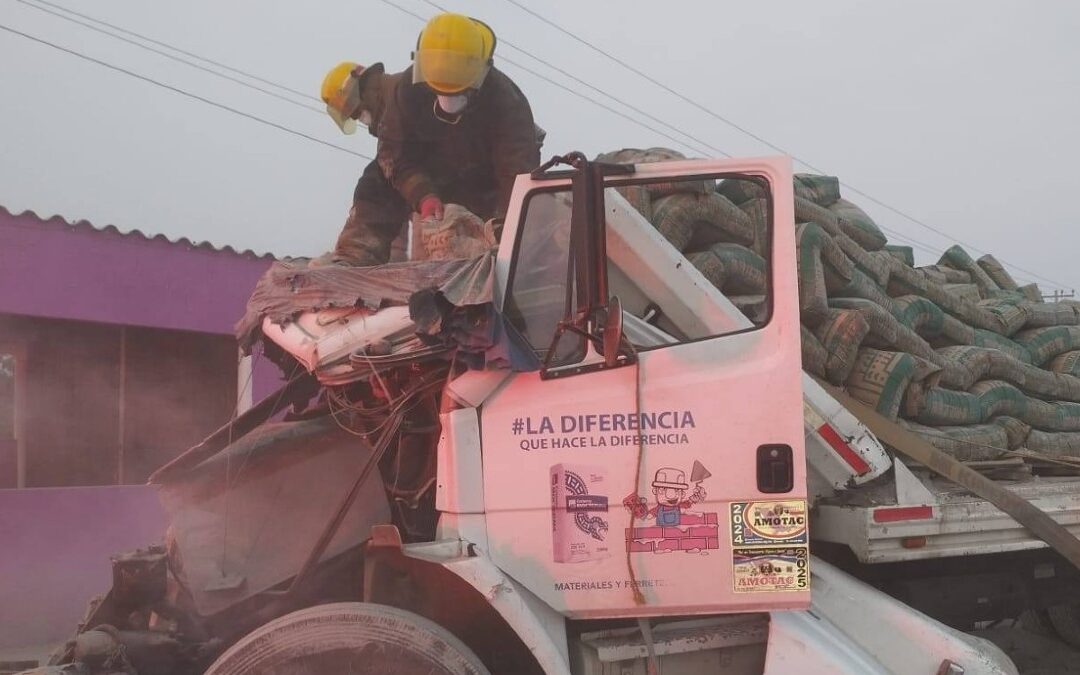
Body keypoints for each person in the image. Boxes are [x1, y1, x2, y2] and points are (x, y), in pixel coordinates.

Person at [320, 12, 542, 265]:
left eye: (457, 94)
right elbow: (396, 156)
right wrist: (424, 196)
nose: (447, 103)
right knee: (377, 178)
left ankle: (496, 261)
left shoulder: (507, 103)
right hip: (438, 173)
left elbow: (517, 173)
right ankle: (355, 257)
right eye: (439, 92)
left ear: (478, 76)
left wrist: (506, 231)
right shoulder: (407, 92)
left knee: (509, 229)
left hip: (486, 180)